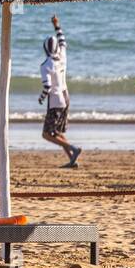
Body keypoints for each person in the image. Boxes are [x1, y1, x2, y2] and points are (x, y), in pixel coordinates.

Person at [39, 15, 81, 168]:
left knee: (46, 134)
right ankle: (72, 158)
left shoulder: (45, 65)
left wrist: (41, 97)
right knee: (56, 132)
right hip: (66, 98)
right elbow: (62, 40)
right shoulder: (62, 56)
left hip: (55, 101)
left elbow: (47, 87)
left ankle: (73, 149)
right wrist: (57, 25)